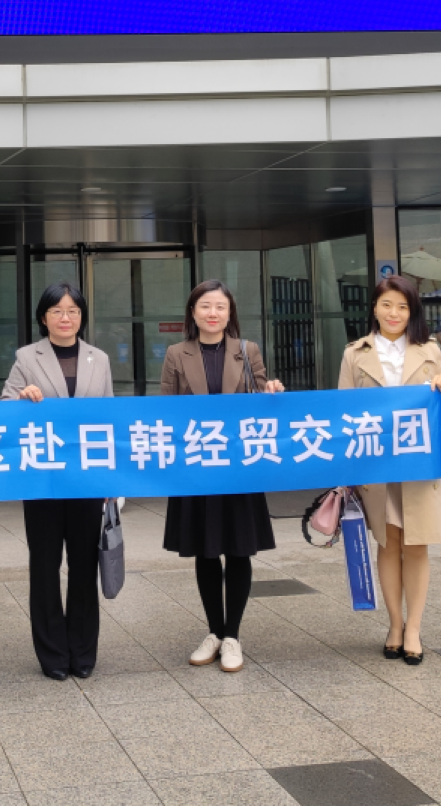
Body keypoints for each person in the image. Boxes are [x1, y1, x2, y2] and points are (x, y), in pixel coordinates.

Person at [160, 280, 284, 674]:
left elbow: (262, 398)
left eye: (220, 307)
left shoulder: (247, 351)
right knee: (206, 550)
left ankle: (232, 636)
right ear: (193, 312)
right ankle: (213, 632)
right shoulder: (176, 353)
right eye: (205, 306)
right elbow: (165, 410)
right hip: (197, 466)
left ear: (230, 313)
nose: (212, 313)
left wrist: (272, 390)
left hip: (239, 466)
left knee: (239, 550)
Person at [337, 274, 441, 666]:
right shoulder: (355, 353)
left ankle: (414, 629)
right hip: (375, 463)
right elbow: (343, 412)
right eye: (387, 305)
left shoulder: (430, 350)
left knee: (416, 544)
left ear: (412, 311)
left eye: (402, 307)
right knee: (387, 544)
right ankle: (394, 625)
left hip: (419, 465)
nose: (394, 313)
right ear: (374, 308)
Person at [1, 281, 114, 681]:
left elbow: (108, 419)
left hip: (86, 480)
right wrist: (21, 398)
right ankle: (52, 654)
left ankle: (82, 651)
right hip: (42, 480)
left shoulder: (99, 359)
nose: (66, 318)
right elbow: (4, 408)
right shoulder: (26, 357)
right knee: (45, 567)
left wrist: (110, 480)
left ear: (82, 316)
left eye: (73, 311)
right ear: (43, 317)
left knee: (84, 566)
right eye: (57, 311)